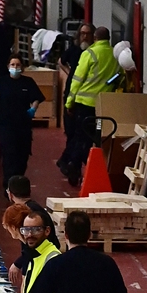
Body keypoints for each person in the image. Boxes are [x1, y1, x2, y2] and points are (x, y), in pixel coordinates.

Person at [62, 26, 121, 187]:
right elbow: (118, 77)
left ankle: (72, 165)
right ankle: (88, 166)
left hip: (84, 105)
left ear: (95, 38)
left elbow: (77, 80)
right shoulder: (115, 56)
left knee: (80, 136)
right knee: (95, 138)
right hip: (103, 107)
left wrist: (69, 102)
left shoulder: (89, 54)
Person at [0, 53, 44, 189]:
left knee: (22, 156)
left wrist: (33, 108)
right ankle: (9, 185)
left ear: (22, 67)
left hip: (23, 126)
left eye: (18, 65)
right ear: (8, 66)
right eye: (12, 65)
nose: (15, 67)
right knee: (9, 156)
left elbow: (36, 98)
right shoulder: (1, 82)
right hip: (6, 126)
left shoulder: (28, 82)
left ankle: (18, 182)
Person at [5, 174, 58, 288]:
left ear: (10, 194)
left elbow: (31, 247)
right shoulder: (34, 208)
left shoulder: (27, 214)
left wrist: (18, 264)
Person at [56, 23, 93, 178]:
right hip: (71, 94)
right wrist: (69, 72)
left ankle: (69, 161)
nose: (84, 36)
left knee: (81, 134)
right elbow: (60, 61)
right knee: (72, 132)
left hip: (84, 99)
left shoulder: (92, 53)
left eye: (87, 33)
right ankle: (68, 161)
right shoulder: (74, 50)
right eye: (82, 33)